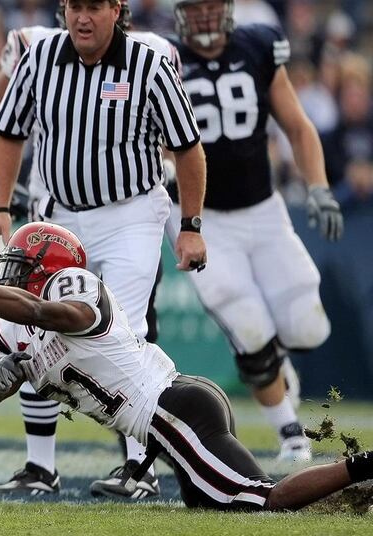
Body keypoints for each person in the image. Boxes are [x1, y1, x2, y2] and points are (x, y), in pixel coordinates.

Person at [0, 221, 373, 511]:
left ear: (50, 269)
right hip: (168, 420)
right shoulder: (10, 330)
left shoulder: (74, 286)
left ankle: (365, 466)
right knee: (211, 505)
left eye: (23, 266)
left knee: (264, 499)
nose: (11, 274)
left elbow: (49, 315)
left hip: (172, 410)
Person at [0, 0, 207, 498]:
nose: (83, 18)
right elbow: (6, 133)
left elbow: (189, 146)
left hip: (131, 212)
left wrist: (190, 224)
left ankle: (140, 468)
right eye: (75, 6)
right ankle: (40, 468)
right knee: (28, 323)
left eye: (94, 7)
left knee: (124, 331)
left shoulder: (148, 63)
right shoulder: (39, 57)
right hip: (59, 215)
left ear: (116, 10)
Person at [165, 0, 344, 463]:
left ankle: (277, 360)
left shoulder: (259, 44)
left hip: (264, 210)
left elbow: (297, 126)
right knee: (248, 327)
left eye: (211, 7)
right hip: (203, 218)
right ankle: (291, 433)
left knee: (306, 327)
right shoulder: (162, 56)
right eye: (193, 8)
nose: (203, 18)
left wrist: (319, 188)